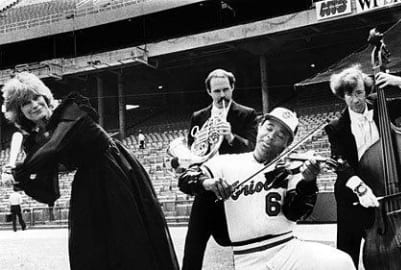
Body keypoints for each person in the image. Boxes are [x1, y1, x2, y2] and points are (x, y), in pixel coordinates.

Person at [0, 72, 179, 270]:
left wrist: (20, 170)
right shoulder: (35, 142)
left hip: (113, 172)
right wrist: (19, 179)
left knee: (128, 241)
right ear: (19, 110)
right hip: (87, 183)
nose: (34, 104)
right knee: (89, 248)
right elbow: (50, 182)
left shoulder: (70, 109)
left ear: (45, 97)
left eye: (36, 97)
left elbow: (54, 146)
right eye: (26, 102)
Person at [179, 107, 356, 270]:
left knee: (342, 262)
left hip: (288, 248)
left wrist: (308, 182)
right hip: (249, 257)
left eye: (280, 135)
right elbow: (186, 178)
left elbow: (295, 213)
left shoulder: (292, 170)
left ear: (287, 144)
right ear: (260, 127)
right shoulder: (226, 163)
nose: (271, 136)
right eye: (269, 128)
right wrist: (206, 182)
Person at [324, 64, 401, 268]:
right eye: (350, 95)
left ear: (366, 90)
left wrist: (398, 82)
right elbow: (341, 163)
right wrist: (360, 188)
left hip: (387, 184)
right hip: (353, 194)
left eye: (360, 93)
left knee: (393, 245)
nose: (356, 100)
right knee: (347, 255)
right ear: (342, 96)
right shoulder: (336, 128)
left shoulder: (380, 105)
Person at [181, 68, 258, 270]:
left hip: (236, 190)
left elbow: (253, 149)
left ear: (233, 88)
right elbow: (193, 153)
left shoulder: (247, 114)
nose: (222, 95)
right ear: (209, 92)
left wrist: (232, 137)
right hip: (207, 186)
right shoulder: (198, 117)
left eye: (225, 89)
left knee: (244, 247)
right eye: (217, 91)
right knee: (193, 247)